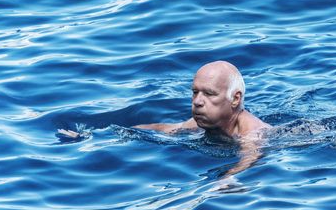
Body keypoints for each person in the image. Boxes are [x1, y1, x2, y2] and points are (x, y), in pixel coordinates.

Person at [58, 60, 271, 177]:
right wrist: (94, 134)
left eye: (209, 94)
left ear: (235, 99)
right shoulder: (197, 124)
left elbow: (250, 158)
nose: (197, 101)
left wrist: (227, 180)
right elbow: (159, 128)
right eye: (195, 92)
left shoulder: (252, 132)